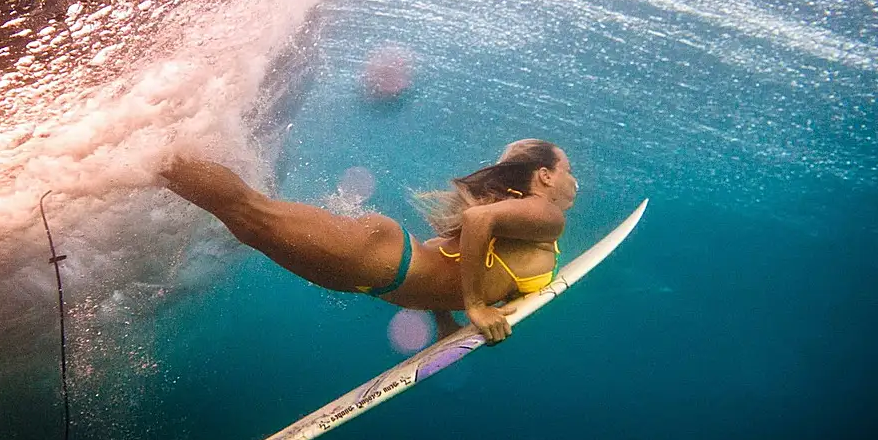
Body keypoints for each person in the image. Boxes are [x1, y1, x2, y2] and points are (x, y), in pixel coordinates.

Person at [159, 139, 578, 344]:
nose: (574, 181)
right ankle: (159, 154)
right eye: (568, 170)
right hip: (380, 260)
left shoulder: (523, 219)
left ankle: (153, 160)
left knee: (248, 223)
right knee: (251, 213)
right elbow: (476, 218)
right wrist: (475, 306)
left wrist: (446, 318)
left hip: (380, 271)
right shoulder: (548, 216)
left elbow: (451, 256)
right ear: (544, 175)